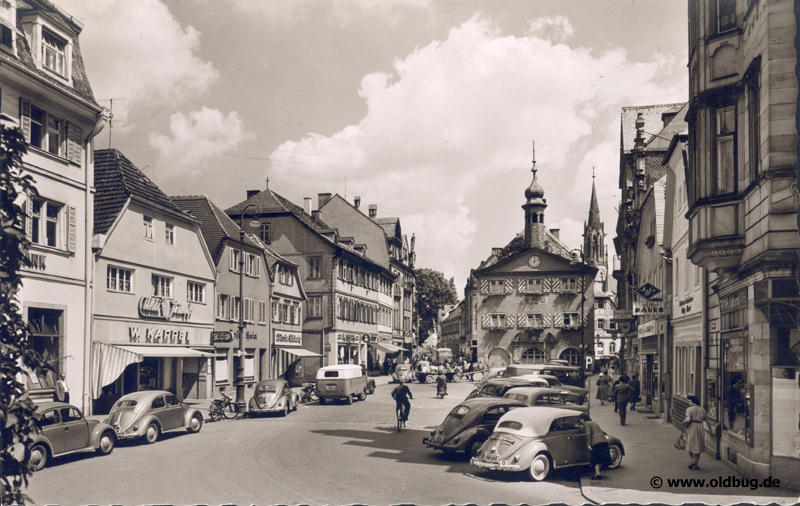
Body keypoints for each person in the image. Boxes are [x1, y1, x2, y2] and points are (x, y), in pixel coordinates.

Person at [581, 414, 612, 479]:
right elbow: (602, 432)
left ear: (583, 419)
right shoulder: (594, 422)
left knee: (595, 459)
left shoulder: (586, 424)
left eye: (581, 419)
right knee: (601, 458)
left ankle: (598, 474)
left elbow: (588, 434)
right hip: (603, 441)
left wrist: (588, 444)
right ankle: (599, 473)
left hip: (596, 443)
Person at [684, 395, 706, 470]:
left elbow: (688, 419)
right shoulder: (702, 409)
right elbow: (705, 419)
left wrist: (684, 422)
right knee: (698, 445)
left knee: (690, 444)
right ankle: (696, 464)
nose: (688, 403)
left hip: (692, 427)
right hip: (700, 427)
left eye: (689, 401)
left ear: (693, 401)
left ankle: (692, 462)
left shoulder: (689, 409)